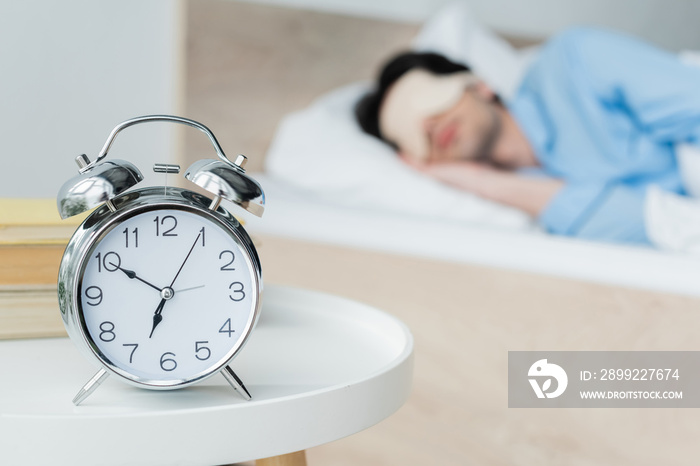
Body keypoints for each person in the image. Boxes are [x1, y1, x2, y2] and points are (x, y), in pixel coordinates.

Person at [355, 27, 700, 245]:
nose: (428, 126)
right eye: (411, 134)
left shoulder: (573, 63)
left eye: (429, 101)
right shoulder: (526, 210)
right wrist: (483, 182)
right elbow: (655, 233)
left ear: (479, 85)